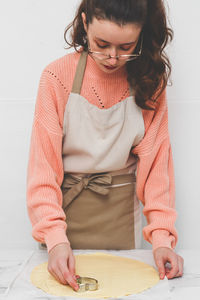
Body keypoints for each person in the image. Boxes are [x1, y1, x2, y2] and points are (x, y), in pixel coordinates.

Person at [26, 0, 184, 292]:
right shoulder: (56, 77)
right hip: (63, 220)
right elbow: (43, 170)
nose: (113, 57)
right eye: (101, 43)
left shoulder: (149, 82)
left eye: (127, 47)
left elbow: (157, 172)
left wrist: (162, 240)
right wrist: (55, 240)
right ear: (85, 23)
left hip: (123, 222)